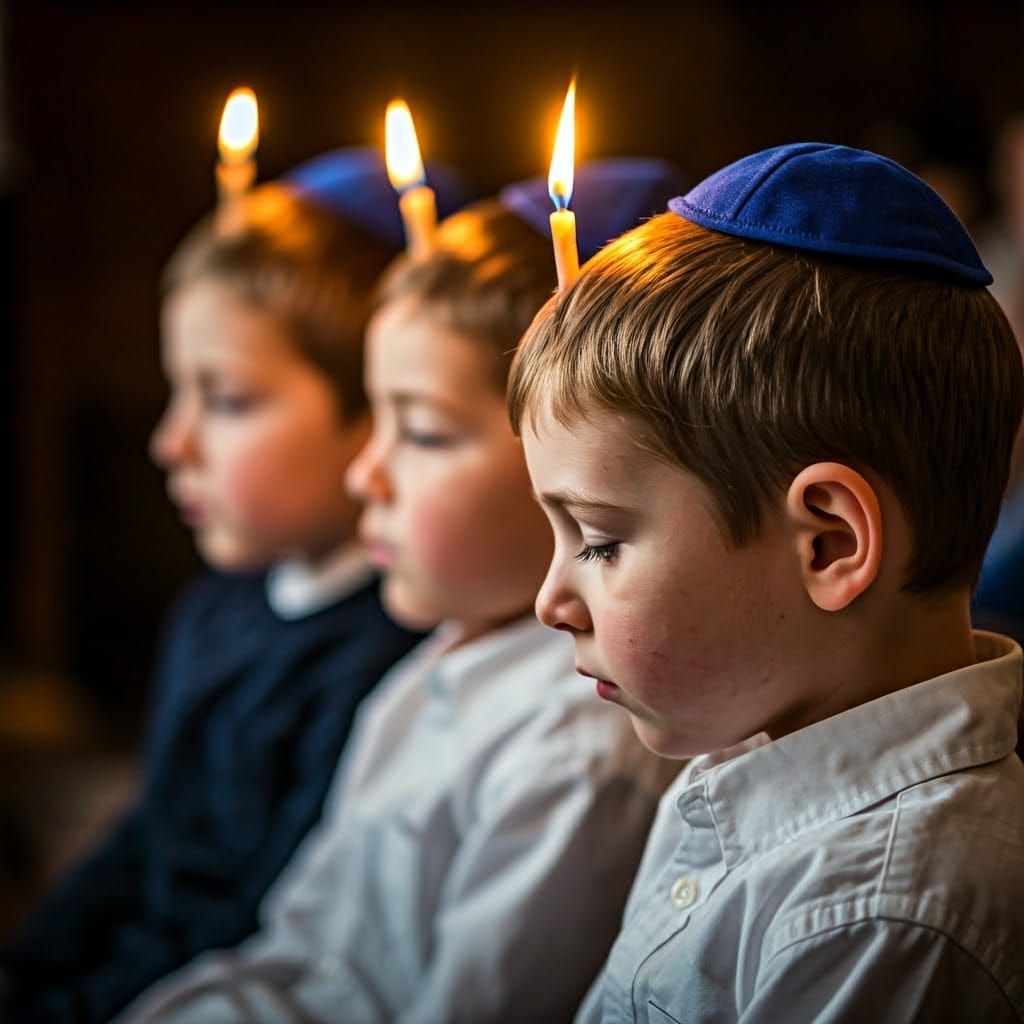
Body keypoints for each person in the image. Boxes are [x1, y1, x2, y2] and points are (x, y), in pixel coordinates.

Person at [114, 159, 685, 1024]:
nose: (364, 472)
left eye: (418, 431)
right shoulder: (426, 672)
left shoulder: (580, 751)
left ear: (570, 470)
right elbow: (291, 951)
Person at [509, 143, 1024, 1022]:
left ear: (826, 543)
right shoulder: (742, 744)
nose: (548, 603)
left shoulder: (884, 920)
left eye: (596, 542)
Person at [0, 148, 470, 1024]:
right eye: (177, 392)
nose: (171, 442)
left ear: (371, 411)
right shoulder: (215, 608)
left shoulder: (388, 663)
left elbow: (260, 925)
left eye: (227, 400)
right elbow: (152, 836)